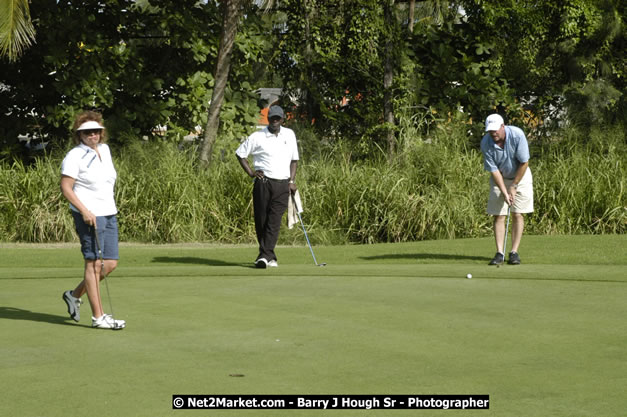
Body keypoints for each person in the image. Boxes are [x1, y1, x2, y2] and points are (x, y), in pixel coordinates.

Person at [60, 110, 125, 329]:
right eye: (87, 132)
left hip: (109, 212)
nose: (93, 135)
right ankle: (99, 317)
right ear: (79, 134)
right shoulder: (74, 156)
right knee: (94, 263)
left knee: (110, 263)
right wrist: (85, 211)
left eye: (96, 131)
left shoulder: (105, 150)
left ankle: (74, 294)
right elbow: (66, 187)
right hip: (89, 216)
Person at [236, 105, 299, 268]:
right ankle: (269, 256)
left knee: (274, 221)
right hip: (263, 183)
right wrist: (251, 173)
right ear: (268, 119)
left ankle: (264, 256)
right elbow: (240, 154)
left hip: (282, 184)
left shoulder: (289, 135)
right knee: (261, 220)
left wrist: (291, 181)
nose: (275, 121)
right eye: (272, 118)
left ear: (283, 119)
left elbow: (294, 160)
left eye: (278, 118)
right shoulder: (258, 136)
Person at [480, 113, 534, 265]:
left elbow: (524, 162)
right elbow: (494, 170)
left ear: (503, 126)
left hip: (520, 175)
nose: (493, 133)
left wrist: (514, 186)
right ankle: (499, 253)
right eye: (490, 130)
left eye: (496, 130)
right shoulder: (486, 143)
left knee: (517, 213)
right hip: (501, 177)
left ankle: (514, 252)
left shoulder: (517, 135)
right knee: (499, 215)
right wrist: (505, 191)